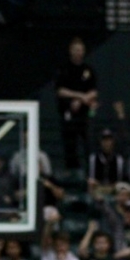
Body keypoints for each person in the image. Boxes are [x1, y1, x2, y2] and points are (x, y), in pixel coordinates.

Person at [55, 37, 97, 170]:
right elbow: (60, 91)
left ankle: (88, 173)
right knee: (70, 145)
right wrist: (79, 96)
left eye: (81, 50)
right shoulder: (64, 68)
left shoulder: (88, 70)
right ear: (71, 51)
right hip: (67, 114)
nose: (79, 52)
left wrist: (81, 100)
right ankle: (71, 171)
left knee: (87, 145)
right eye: (76, 50)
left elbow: (94, 92)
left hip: (84, 115)